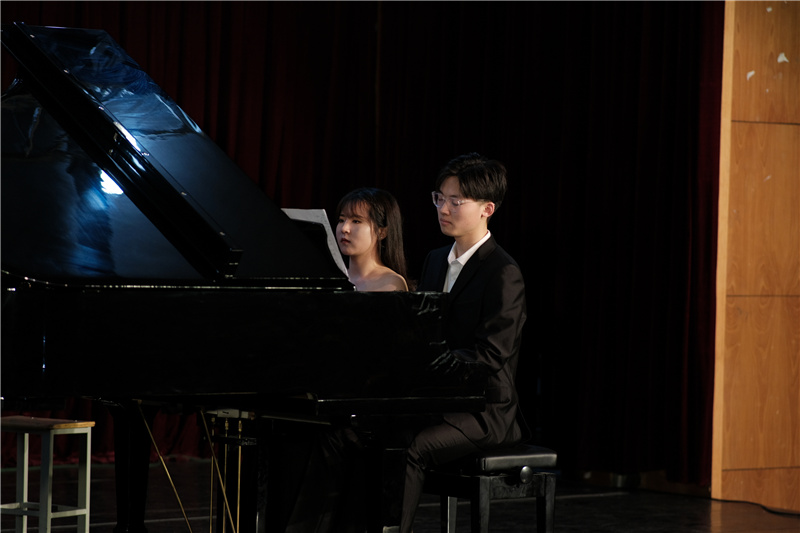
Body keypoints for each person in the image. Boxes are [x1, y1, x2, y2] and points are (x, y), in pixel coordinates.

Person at [400, 152, 529, 533]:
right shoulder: (435, 260)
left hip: (484, 410)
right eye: (439, 198)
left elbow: (490, 355)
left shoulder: (503, 272)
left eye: (456, 201)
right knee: (369, 433)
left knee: (412, 448)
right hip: (440, 400)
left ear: (487, 209)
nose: (444, 209)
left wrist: (429, 367)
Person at [336, 187, 410, 291]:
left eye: (356, 221)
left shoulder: (390, 283)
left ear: (381, 232)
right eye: (341, 220)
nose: (344, 228)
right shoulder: (334, 279)